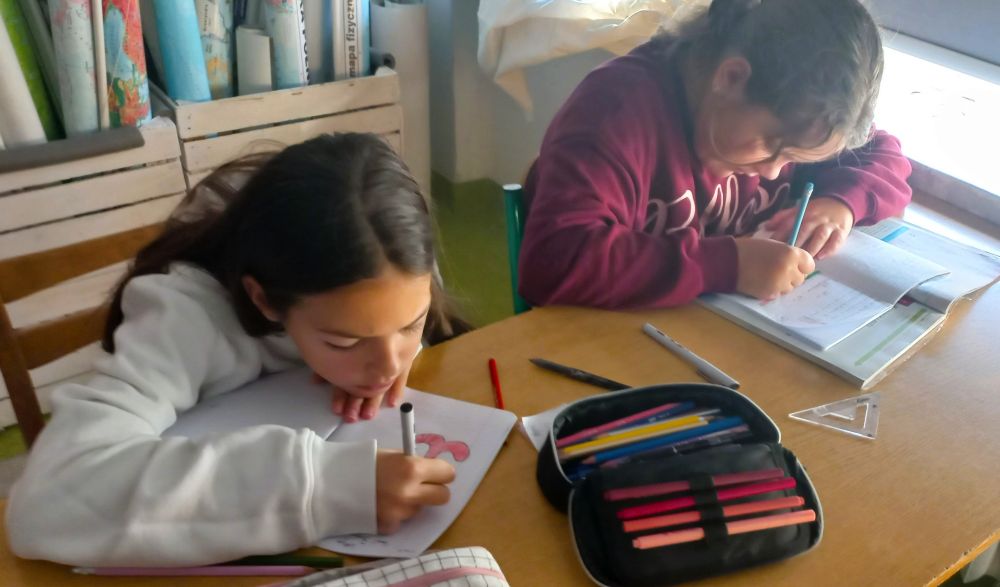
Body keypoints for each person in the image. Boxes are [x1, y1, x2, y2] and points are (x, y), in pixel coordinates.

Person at [6, 133, 465, 566]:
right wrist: (323, 487)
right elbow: (48, 502)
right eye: (343, 340)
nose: (388, 365)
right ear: (263, 300)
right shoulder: (183, 318)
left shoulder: (391, 260)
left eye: (409, 325)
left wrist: (376, 352)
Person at [518, 0, 912, 308]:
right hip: (605, 342)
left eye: (794, 160)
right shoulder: (615, 113)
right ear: (732, 78)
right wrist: (729, 264)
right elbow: (553, 262)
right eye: (773, 147)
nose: (774, 173)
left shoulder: (797, 117)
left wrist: (840, 204)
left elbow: (884, 156)